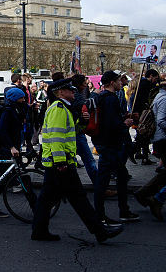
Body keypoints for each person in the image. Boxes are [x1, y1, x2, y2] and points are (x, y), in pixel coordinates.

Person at [31, 79, 123, 243]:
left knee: (49, 199)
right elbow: (56, 137)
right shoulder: (59, 109)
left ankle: (39, 230)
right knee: (77, 198)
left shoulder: (63, 108)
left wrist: (84, 121)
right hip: (61, 163)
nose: (74, 92)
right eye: (70, 90)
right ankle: (100, 231)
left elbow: (71, 131)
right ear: (61, 93)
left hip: (58, 163)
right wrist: (60, 161)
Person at [92, 71, 139, 225]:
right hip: (110, 144)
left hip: (105, 143)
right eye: (119, 80)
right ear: (112, 82)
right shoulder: (111, 99)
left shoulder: (101, 97)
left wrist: (125, 117)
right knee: (104, 180)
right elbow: (111, 125)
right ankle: (101, 215)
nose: (121, 83)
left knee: (119, 176)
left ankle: (122, 210)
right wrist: (124, 123)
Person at [0, 87, 26, 218]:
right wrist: (11, 147)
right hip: (7, 149)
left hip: (11, 148)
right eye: (21, 97)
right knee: (3, 177)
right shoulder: (8, 111)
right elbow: (2, 130)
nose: (23, 100)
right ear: (15, 98)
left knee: (6, 177)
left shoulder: (14, 109)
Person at [134, 80, 166, 219]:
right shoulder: (164, 99)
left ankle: (145, 193)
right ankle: (157, 198)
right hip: (163, 139)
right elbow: (161, 120)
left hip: (160, 139)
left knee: (164, 174)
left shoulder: (160, 96)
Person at [131, 69, 160, 163]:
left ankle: (141, 154)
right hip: (143, 114)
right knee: (143, 135)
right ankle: (134, 151)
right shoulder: (145, 85)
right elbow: (144, 100)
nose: (156, 80)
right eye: (155, 78)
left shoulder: (142, 84)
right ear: (151, 76)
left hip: (141, 113)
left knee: (142, 134)